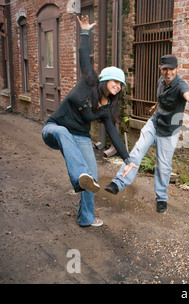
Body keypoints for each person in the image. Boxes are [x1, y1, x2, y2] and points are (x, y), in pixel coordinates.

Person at [41, 16, 131, 227]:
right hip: (54, 129)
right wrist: (84, 31)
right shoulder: (90, 81)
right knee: (63, 133)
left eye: (121, 84)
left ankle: (86, 217)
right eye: (115, 81)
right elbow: (84, 57)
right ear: (105, 79)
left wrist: (128, 160)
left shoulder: (107, 109)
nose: (118, 86)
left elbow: (114, 135)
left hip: (80, 137)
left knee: (93, 178)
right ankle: (78, 177)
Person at [104, 55, 189, 213]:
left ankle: (161, 197)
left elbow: (188, 95)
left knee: (163, 166)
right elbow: (162, 98)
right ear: (161, 69)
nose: (168, 72)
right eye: (165, 69)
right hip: (154, 123)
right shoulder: (160, 81)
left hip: (169, 131)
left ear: (177, 69)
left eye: (171, 69)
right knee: (137, 150)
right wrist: (156, 107)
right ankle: (118, 183)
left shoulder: (180, 85)